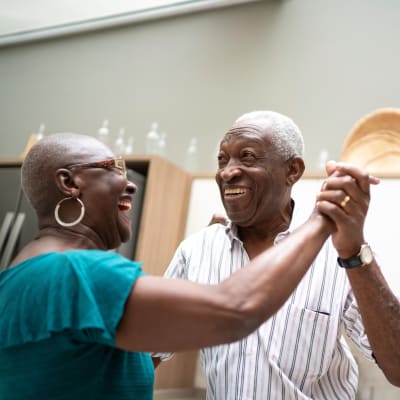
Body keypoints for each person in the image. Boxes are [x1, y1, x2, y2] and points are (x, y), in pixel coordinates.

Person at [0, 132, 358, 400]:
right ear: (69, 183)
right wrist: (323, 220)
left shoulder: (16, 279)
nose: (130, 184)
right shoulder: (80, 274)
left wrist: (211, 252)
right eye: (113, 169)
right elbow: (236, 310)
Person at [153, 110, 400, 399]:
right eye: (222, 159)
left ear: (292, 171)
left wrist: (354, 252)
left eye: (247, 157)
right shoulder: (196, 251)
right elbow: (150, 352)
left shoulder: (339, 252)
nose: (227, 172)